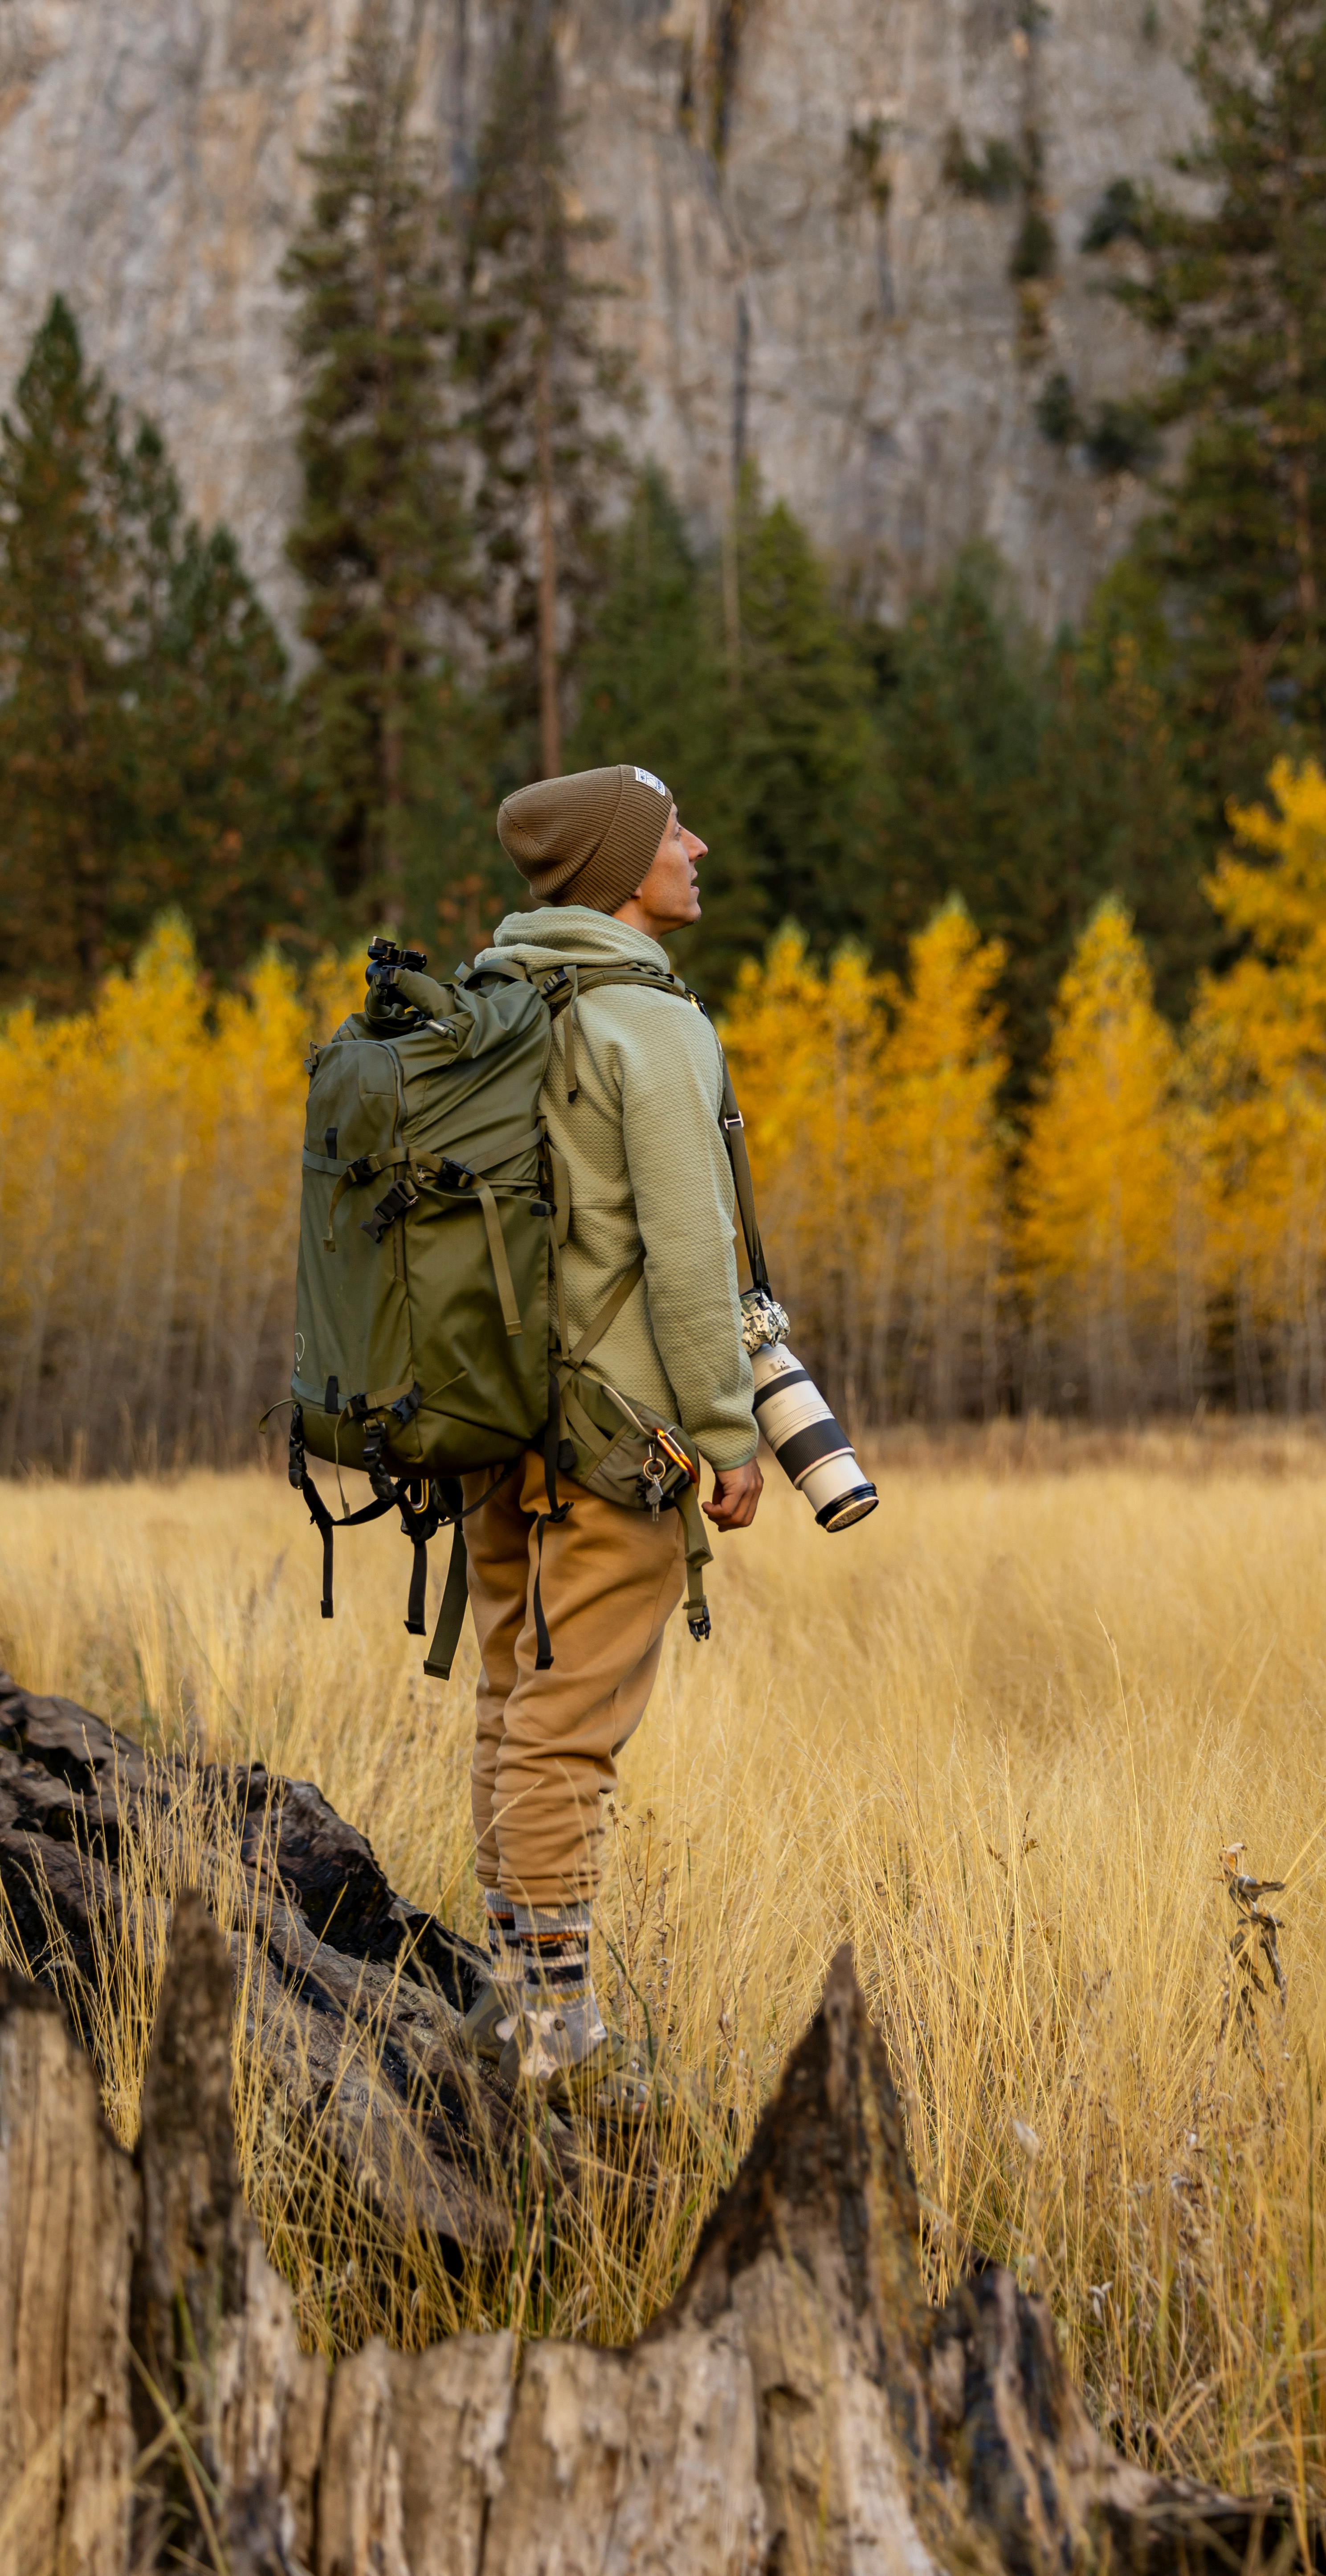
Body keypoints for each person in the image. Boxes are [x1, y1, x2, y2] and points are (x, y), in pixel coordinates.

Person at [457, 762, 763, 2103]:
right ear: (620, 871)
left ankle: (510, 1992)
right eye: (670, 832)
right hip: (617, 1435)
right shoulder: (648, 1024)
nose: (695, 847)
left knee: (513, 1701)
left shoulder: (499, 998)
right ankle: (552, 2027)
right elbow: (691, 1257)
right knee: (570, 1728)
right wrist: (728, 1434)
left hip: (491, 1420)